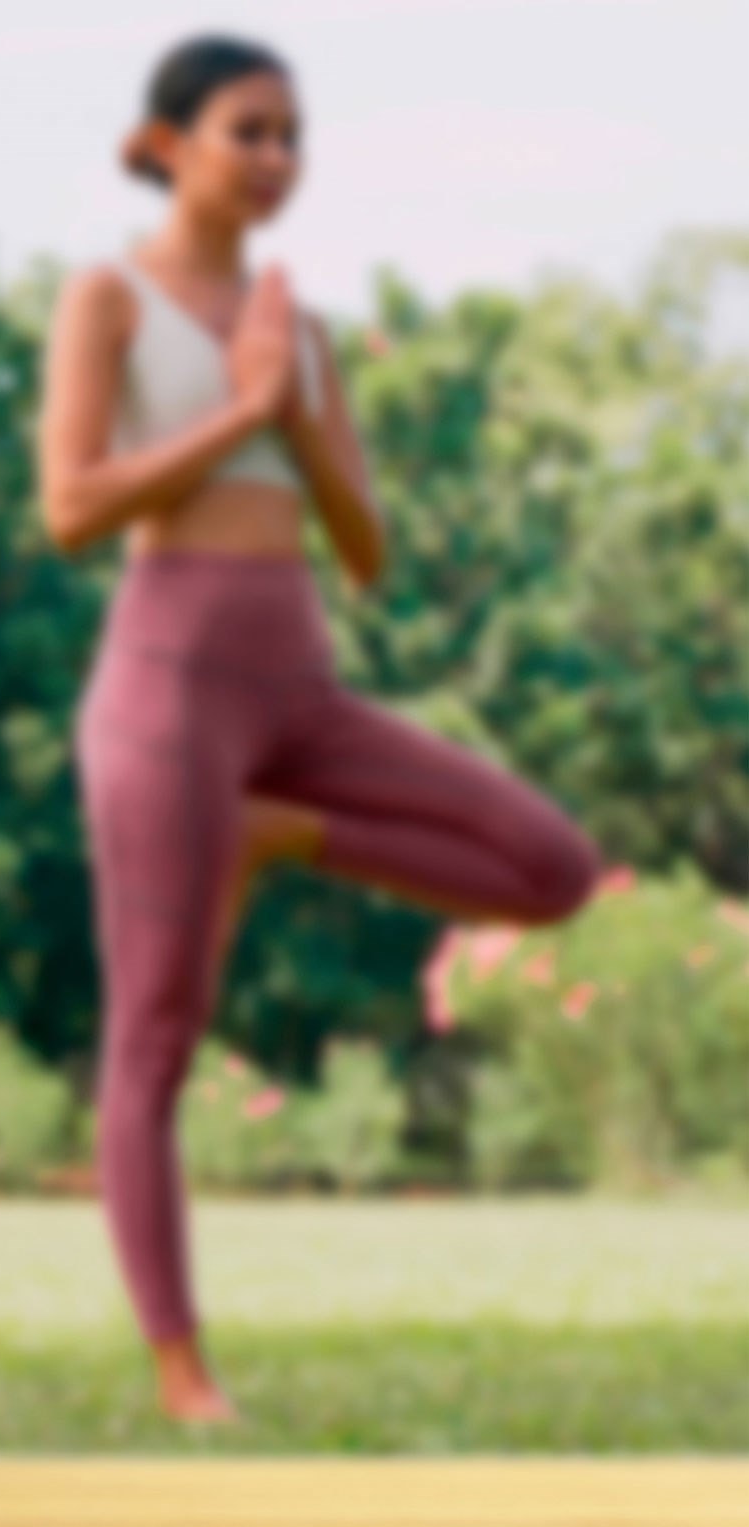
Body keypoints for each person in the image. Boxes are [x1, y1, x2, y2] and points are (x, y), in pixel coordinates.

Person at [38, 35, 600, 1422]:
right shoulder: (107, 298)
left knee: (552, 868)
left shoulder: (300, 324)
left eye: (294, 136)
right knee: (156, 1034)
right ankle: (181, 1368)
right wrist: (234, 409)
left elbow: (363, 545)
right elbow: (71, 509)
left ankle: (277, 834)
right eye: (250, 130)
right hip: (168, 694)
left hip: (301, 689)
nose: (279, 160)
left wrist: (290, 405)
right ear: (169, 141)